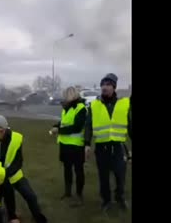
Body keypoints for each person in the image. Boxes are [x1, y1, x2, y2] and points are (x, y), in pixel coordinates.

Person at [84, 73, 132, 212]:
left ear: (114, 87)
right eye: (103, 85)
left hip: (118, 147)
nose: (104, 87)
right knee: (103, 177)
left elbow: (130, 125)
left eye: (108, 85)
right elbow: (88, 125)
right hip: (102, 147)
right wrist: (87, 144)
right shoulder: (94, 105)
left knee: (120, 176)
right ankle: (106, 201)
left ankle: (120, 198)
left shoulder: (124, 104)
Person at [49, 87, 87, 205]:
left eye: (66, 95)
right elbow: (64, 122)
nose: (64, 97)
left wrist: (59, 130)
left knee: (78, 170)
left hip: (76, 145)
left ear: (73, 95)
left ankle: (79, 195)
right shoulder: (66, 109)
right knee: (67, 169)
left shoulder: (81, 108)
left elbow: (77, 127)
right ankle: (68, 192)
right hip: (65, 144)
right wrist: (56, 126)